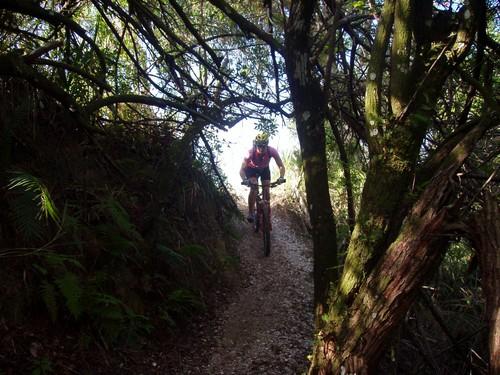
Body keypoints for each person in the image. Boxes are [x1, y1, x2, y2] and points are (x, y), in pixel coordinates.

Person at [239, 132, 285, 222]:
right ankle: (251, 212)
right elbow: (241, 170)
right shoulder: (249, 153)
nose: (261, 148)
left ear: (267, 145)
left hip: (264, 169)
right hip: (252, 170)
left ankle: (267, 212)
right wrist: (245, 180)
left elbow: (281, 165)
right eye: (259, 145)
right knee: (254, 188)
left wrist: (281, 177)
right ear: (255, 145)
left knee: (266, 190)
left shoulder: (272, 151)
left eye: (263, 146)